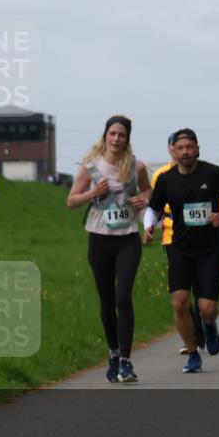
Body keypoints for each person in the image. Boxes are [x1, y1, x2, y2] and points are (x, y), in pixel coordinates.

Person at [143, 128, 219, 374]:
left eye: (190, 147)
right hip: (180, 248)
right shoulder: (166, 180)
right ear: (173, 151)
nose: (185, 152)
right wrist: (148, 227)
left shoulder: (213, 172)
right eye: (181, 148)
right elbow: (154, 209)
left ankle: (209, 325)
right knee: (180, 303)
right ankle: (192, 353)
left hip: (210, 249)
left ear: (198, 149)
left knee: (207, 308)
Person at [67, 115, 152, 383]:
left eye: (122, 135)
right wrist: (93, 193)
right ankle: (113, 353)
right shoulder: (91, 166)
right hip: (100, 238)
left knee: (123, 296)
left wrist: (143, 199)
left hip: (128, 238)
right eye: (112, 134)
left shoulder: (136, 166)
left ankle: (126, 361)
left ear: (128, 139)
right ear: (105, 136)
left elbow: (150, 191)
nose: (116, 139)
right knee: (106, 299)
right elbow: (71, 201)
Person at [150, 136, 205, 355]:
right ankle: (191, 335)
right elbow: (155, 204)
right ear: (170, 149)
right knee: (182, 293)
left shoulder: (203, 173)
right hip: (172, 237)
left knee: (200, 289)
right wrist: (150, 226)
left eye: (185, 147)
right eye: (176, 147)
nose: (180, 151)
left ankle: (205, 322)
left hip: (200, 237)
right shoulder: (160, 175)